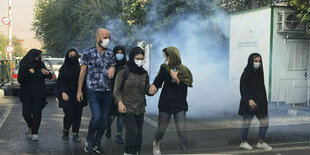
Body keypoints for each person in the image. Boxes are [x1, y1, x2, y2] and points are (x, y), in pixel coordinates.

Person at [77, 28, 116, 153]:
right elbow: (82, 71)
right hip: (93, 90)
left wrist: (112, 69)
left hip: (107, 90)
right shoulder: (88, 52)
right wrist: (79, 90)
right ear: (98, 38)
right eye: (105, 37)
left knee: (104, 120)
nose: (107, 40)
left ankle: (97, 142)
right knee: (97, 117)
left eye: (109, 37)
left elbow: (113, 65)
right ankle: (89, 138)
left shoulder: (110, 53)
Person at [149, 46, 193, 155]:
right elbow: (158, 80)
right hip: (166, 103)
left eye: (166, 56)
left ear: (172, 56)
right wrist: (154, 86)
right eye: (164, 56)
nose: (165, 58)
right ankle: (156, 142)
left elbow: (184, 88)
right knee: (161, 128)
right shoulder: (164, 68)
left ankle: (185, 150)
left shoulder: (184, 70)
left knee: (181, 130)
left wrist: (176, 78)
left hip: (180, 104)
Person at [114, 47, 154, 155]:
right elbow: (116, 90)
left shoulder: (144, 73)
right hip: (126, 107)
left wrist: (152, 91)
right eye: (137, 58)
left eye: (142, 58)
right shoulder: (123, 71)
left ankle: (136, 152)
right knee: (132, 132)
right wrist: (120, 102)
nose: (140, 60)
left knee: (139, 135)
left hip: (140, 108)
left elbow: (146, 90)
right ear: (132, 58)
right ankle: (127, 152)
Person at [238, 53, 272, 151]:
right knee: (246, 123)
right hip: (249, 103)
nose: (258, 63)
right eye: (255, 61)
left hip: (260, 103)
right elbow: (243, 88)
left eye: (259, 61)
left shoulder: (259, 72)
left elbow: (261, 89)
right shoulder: (246, 73)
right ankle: (243, 142)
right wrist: (249, 99)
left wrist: (264, 104)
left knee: (265, 121)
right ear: (251, 61)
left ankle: (261, 142)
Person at [17, 49, 52, 141]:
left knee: (37, 113)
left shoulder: (41, 64)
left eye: (39, 56)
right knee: (26, 113)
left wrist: (48, 73)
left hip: (39, 93)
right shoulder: (24, 65)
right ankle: (30, 125)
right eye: (37, 56)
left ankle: (35, 133)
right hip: (27, 94)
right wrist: (29, 72)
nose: (38, 58)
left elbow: (50, 75)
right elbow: (20, 79)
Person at [56, 49, 87, 142]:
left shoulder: (81, 68)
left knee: (77, 114)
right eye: (71, 55)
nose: (73, 56)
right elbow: (60, 81)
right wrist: (63, 92)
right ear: (67, 56)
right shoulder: (63, 68)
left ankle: (75, 134)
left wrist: (81, 92)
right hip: (67, 95)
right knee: (69, 114)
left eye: (74, 55)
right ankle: (66, 130)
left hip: (78, 94)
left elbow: (84, 81)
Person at [105, 46, 127, 144]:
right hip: (110, 93)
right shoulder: (109, 65)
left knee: (121, 115)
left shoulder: (127, 66)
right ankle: (108, 128)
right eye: (117, 52)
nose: (119, 54)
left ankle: (119, 135)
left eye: (121, 52)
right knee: (110, 117)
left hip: (122, 94)